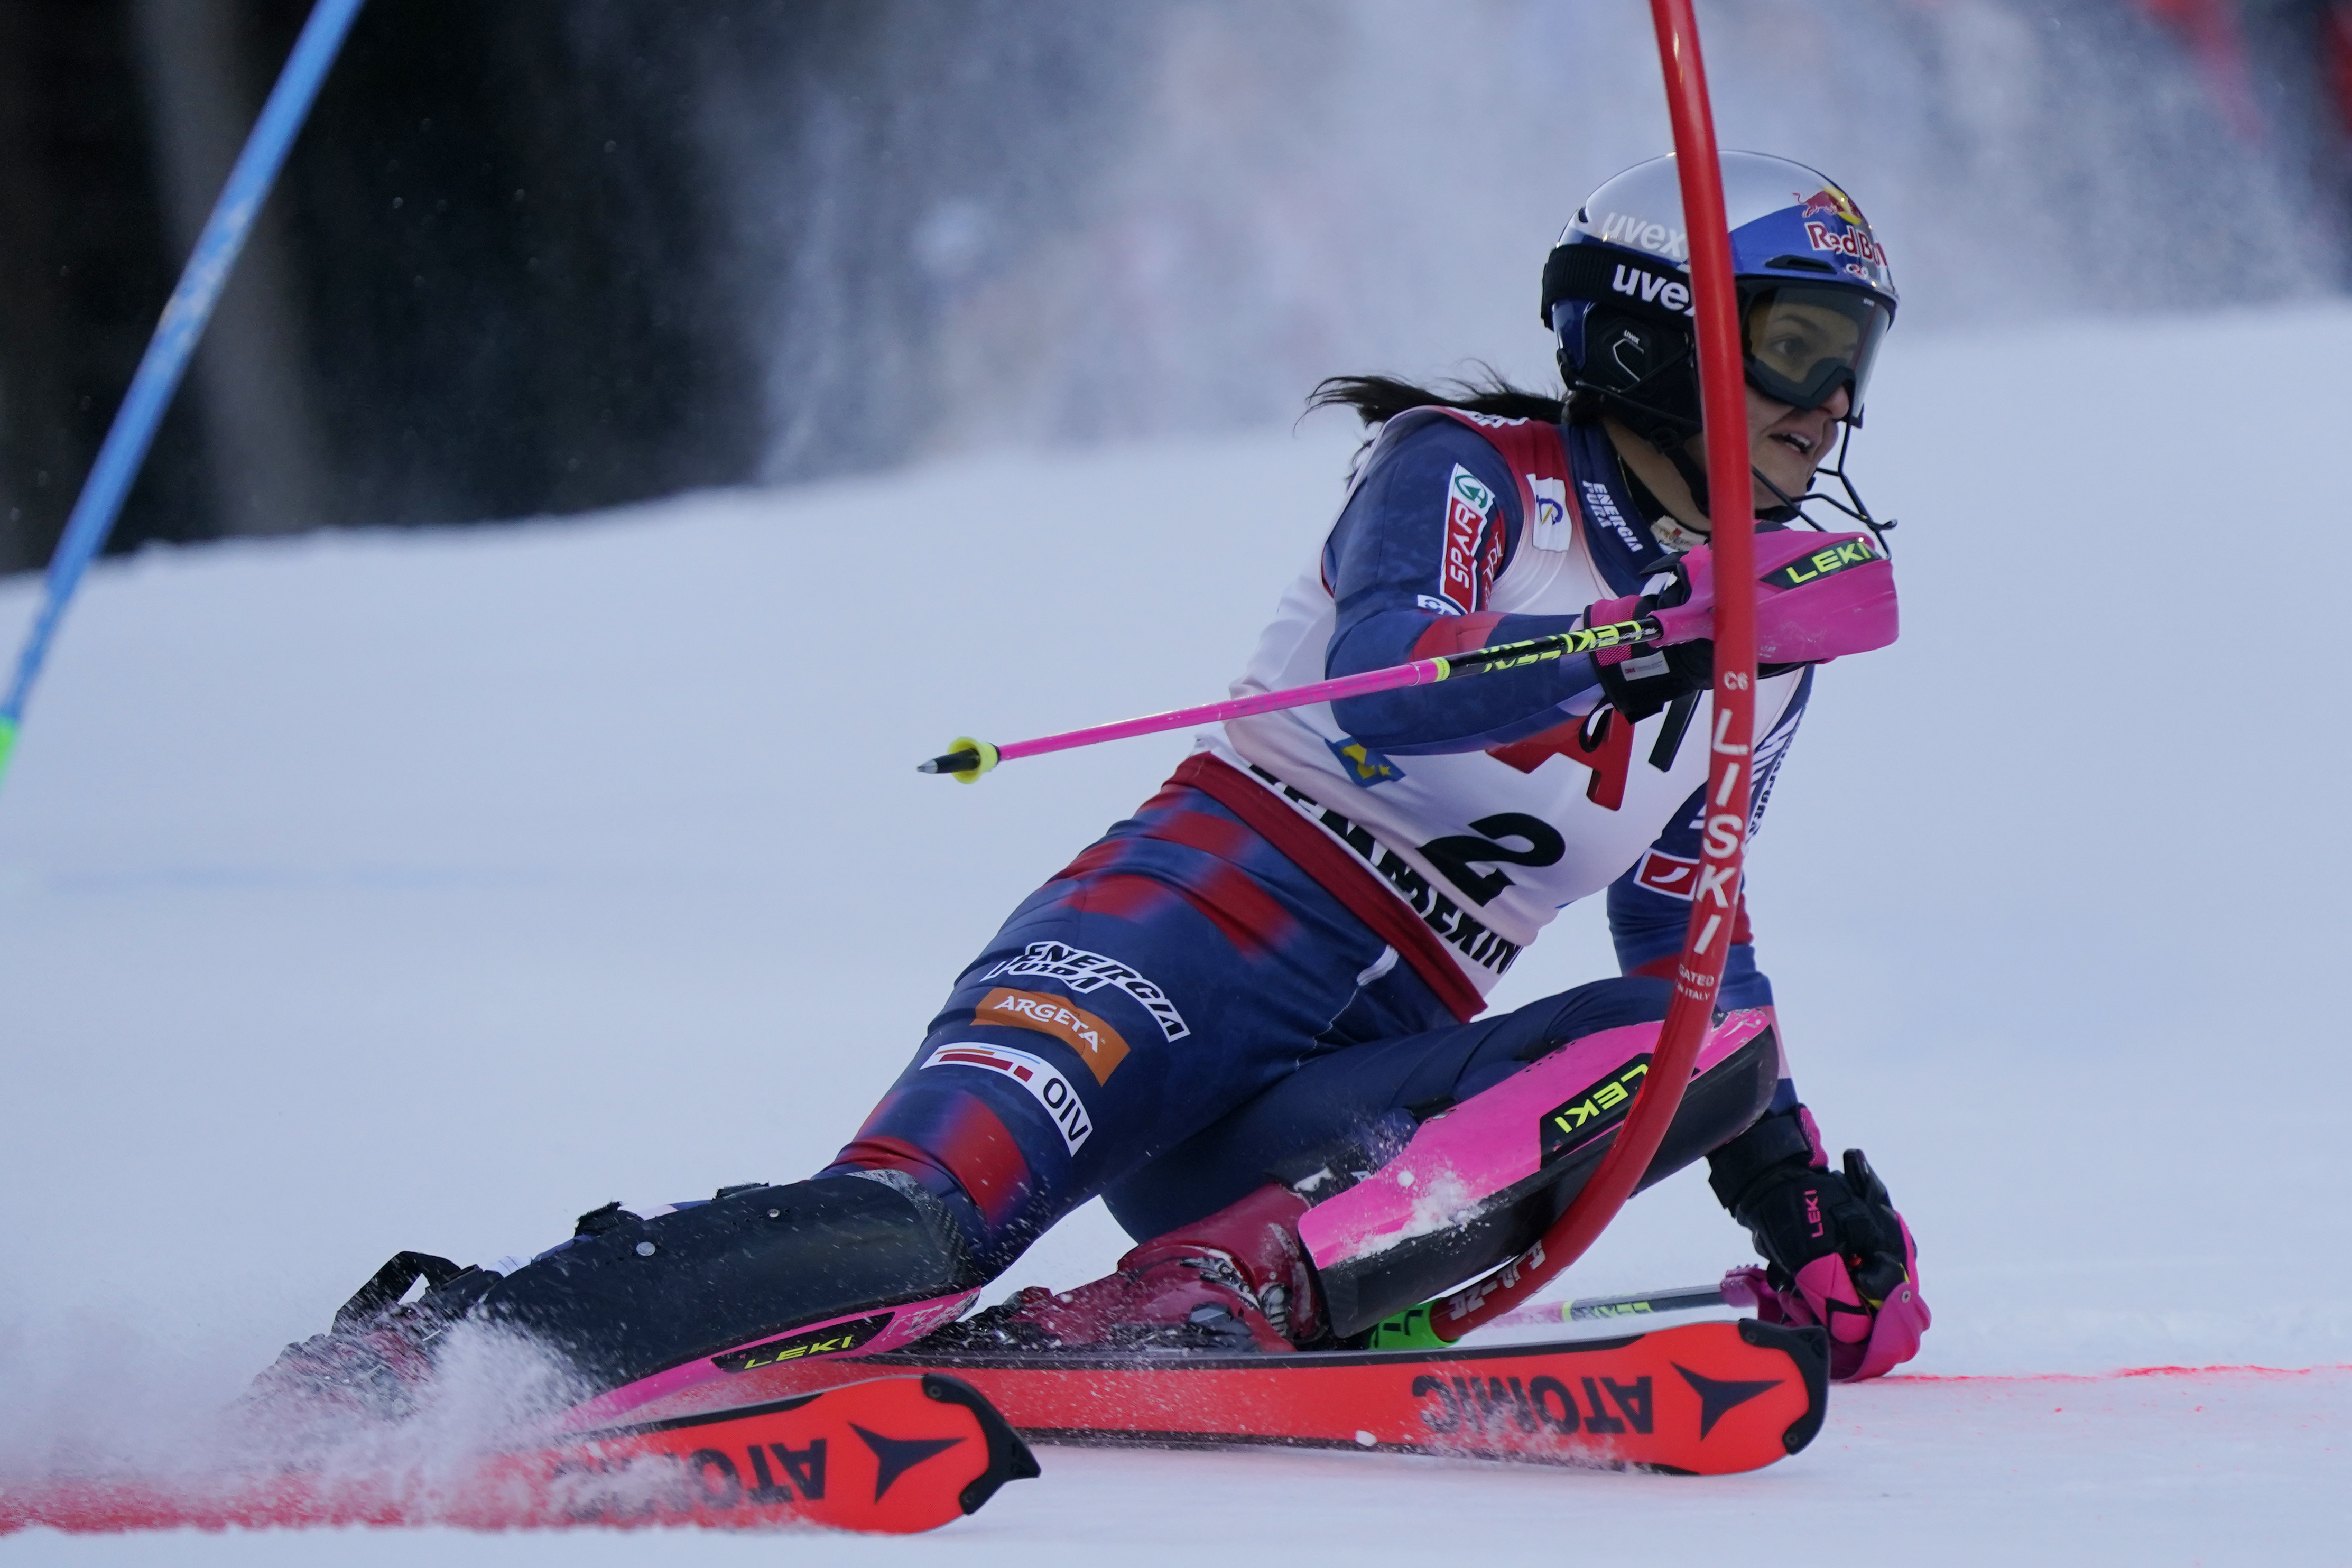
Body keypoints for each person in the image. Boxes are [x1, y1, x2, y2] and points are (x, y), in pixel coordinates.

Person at [261, 152, 1930, 1420]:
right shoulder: (1472, 477)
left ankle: (1208, 1295)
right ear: (1659, 334)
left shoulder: (1758, 644)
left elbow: (1683, 933)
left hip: (1339, 1100)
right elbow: (1390, 698)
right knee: (903, 1242)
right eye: (1795, 345)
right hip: (1191, 926)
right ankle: (446, 1356)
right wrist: (1632, 645)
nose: (1831, 401)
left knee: (1708, 1027)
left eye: (1852, 357)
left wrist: (1790, 1199)